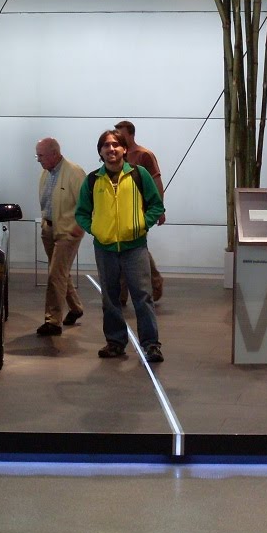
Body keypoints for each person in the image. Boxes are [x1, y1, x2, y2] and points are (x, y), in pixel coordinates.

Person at [76, 130, 165, 362]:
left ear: (124, 149)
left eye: (116, 144)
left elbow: (156, 205)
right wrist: (96, 229)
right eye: (106, 145)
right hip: (105, 248)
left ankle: (151, 345)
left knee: (142, 297)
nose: (111, 149)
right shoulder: (93, 180)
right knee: (110, 298)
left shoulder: (139, 174)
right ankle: (115, 342)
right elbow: (81, 212)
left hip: (135, 247)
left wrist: (141, 224)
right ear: (100, 151)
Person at [35, 137, 86, 336]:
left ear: (54, 154)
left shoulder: (74, 173)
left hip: (68, 231)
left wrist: (79, 226)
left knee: (56, 274)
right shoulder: (45, 174)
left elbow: (86, 202)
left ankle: (53, 321)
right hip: (49, 229)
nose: (38, 159)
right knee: (59, 272)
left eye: (41, 155)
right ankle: (76, 308)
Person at [114, 120, 165, 302]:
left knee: (136, 249)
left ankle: (154, 282)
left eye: (122, 135)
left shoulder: (144, 155)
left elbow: (156, 181)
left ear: (131, 135)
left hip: (139, 211)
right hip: (118, 211)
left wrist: (159, 209)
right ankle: (121, 293)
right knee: (121, 249)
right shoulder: (117, 155)